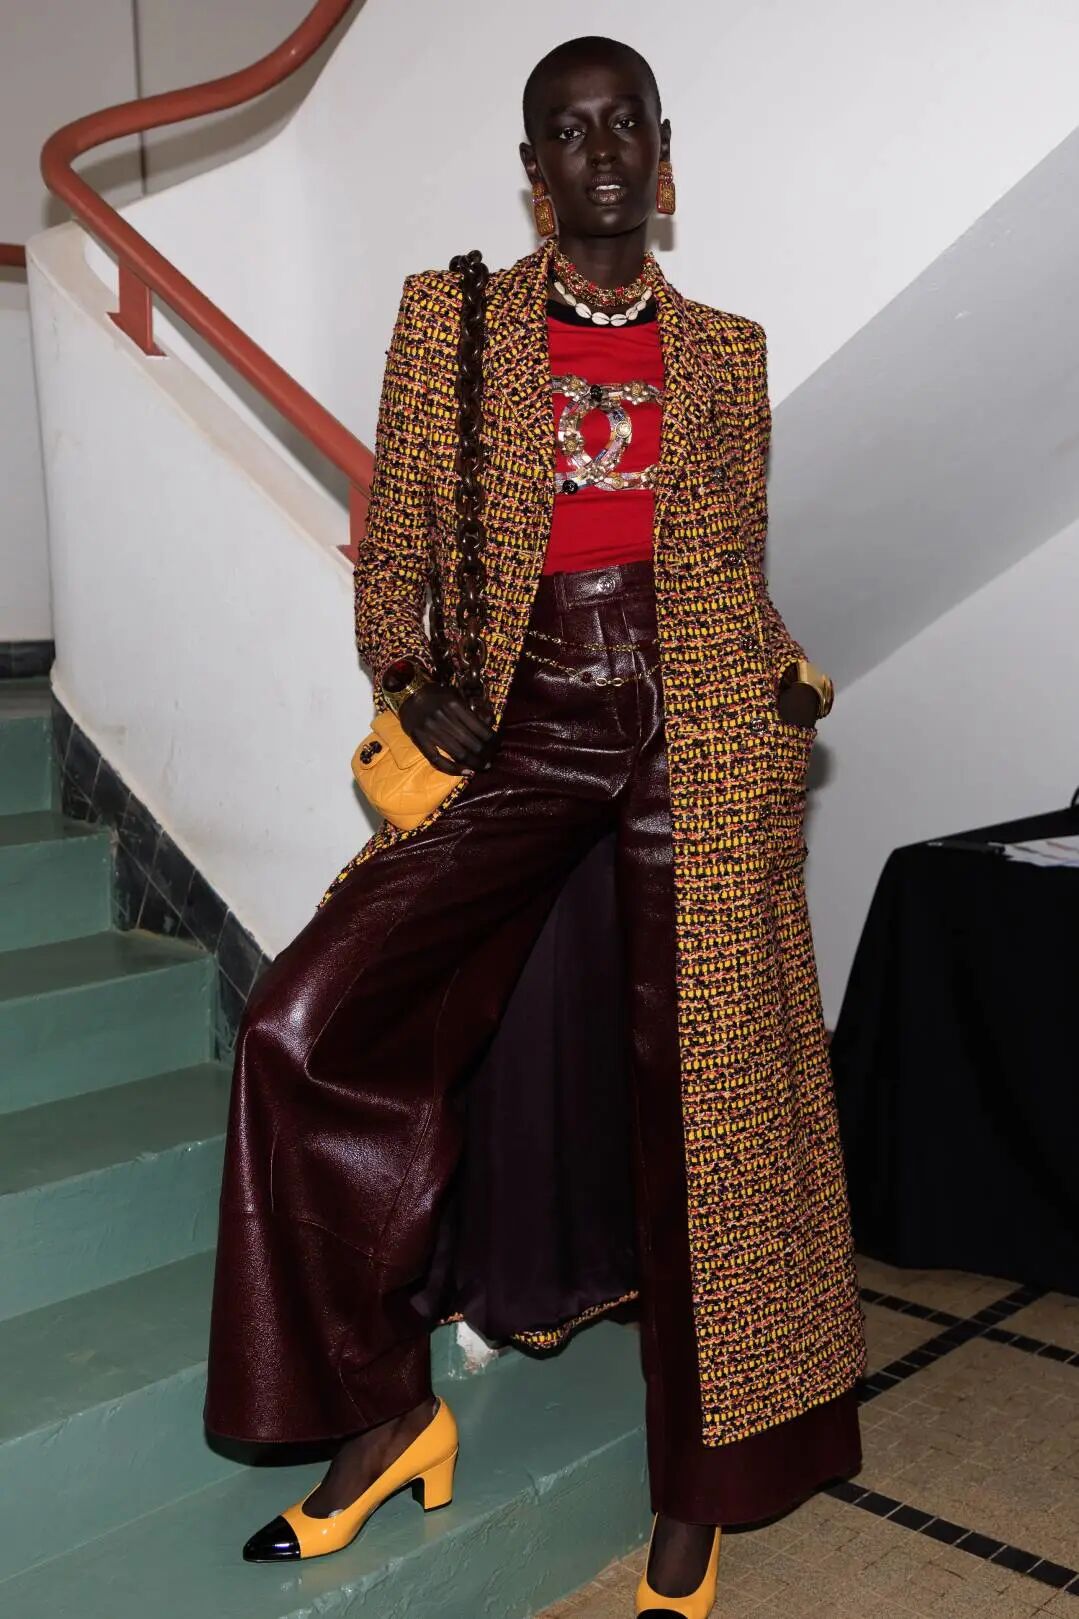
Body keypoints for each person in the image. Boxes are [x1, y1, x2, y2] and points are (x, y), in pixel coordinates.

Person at [203, 34, 867, 1616]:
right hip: (526, 721)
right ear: (533, 171)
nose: (602, 150)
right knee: (304, 1023)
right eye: (568, 132)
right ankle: (385, 1417)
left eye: (625, 123)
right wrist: (412, 671)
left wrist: (785, 698)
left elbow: (731, 574)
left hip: (699, 740)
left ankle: (697, 1495)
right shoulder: (457, 323)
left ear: (664, 151)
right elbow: (395, 554)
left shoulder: (729, 356)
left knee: (705, 1112)